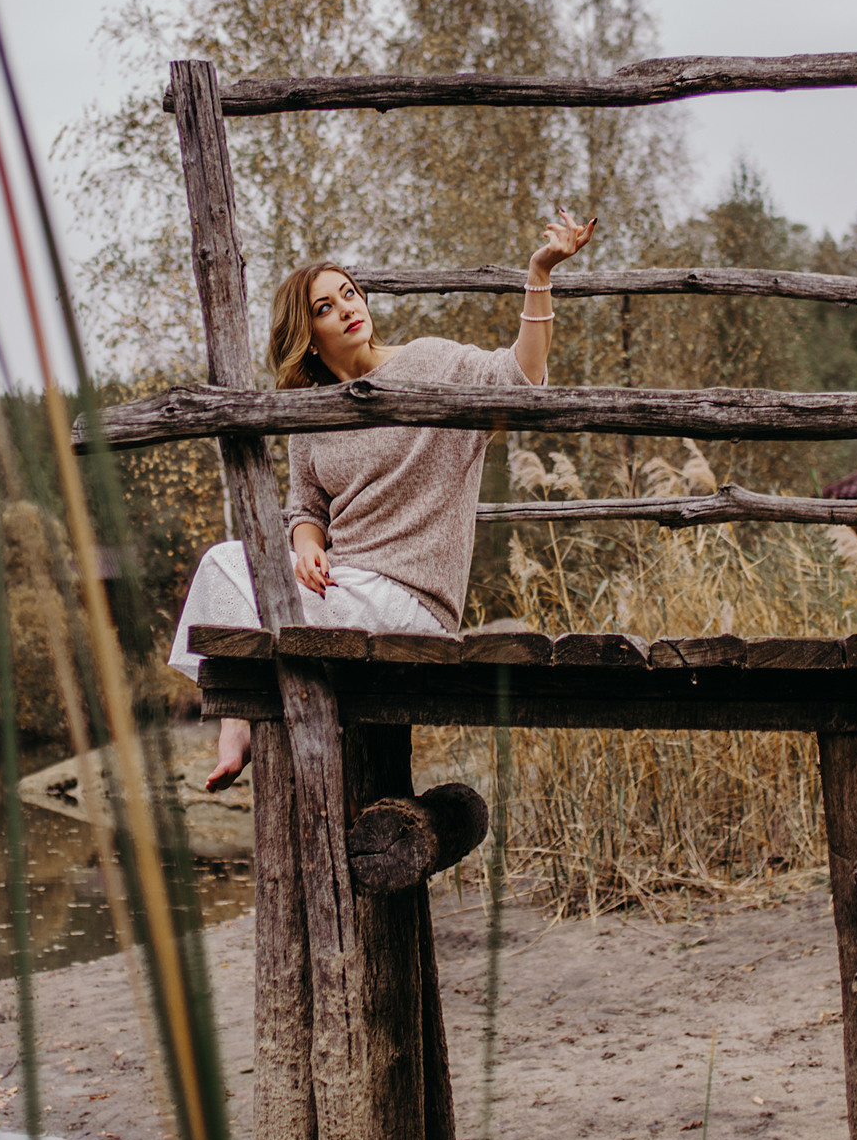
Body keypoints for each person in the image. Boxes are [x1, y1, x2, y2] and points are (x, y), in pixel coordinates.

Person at [170, 208, 598, 791]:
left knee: (231, 569)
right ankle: (237, 720)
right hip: (341, 589)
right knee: (224, 566)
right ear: (308, 337)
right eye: (325, 307)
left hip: (411, 602)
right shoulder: (311, 412)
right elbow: (306, 509)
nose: (347, 308)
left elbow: (521, 374)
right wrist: (307, 547)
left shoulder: (430, 362)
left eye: (349, 294)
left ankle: (241, 721)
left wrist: (540, 273)